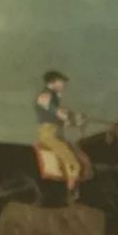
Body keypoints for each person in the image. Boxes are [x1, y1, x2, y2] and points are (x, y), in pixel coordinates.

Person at [35, 70, 83, 200]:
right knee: (73, 162)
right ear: (53, 82)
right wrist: (72, 117)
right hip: (49, 134)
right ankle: (71, 190)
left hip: (56, 132)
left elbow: (61, 116)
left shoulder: (53, 97)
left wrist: (74, 119)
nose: (63, 84)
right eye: (61, 82)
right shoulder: (45, 95)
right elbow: (59, 113)